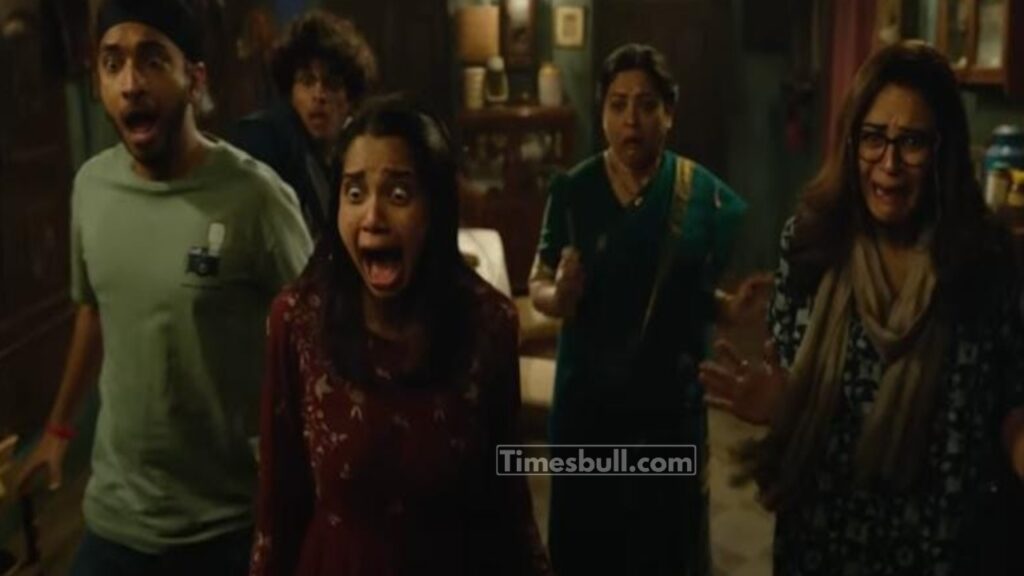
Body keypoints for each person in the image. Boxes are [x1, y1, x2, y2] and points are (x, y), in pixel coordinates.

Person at [699, 40, 1024, 575]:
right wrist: (782, 407)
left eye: (912, 143)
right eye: (874, 138)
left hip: (944, 546)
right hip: (826, 539)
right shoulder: (812, 247)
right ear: (852, 143)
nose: (889, 164)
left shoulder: (984, 262)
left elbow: (1012, 396)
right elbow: (796, 394)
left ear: (943, 151)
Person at [14, 1, 313, 574]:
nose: (130, 84)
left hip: (228, 522)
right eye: (112, 63)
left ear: (193, 79)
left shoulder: (256, 198)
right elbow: (94, 310)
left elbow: (315, 339)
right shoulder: (91, 188)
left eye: (152, 60)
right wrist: (57, 428)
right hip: (116, 516)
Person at [249, 96, 551, 575]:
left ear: (436, 207)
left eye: (398, 194)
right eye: (354, 193)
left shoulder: (488, 323)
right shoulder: (298, 321)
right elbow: (277, 509)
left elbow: (508, 500)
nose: (372, 217)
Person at [529, 43, 768, 576]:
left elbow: (692, 294)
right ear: (602, 113)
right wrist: (559, 296)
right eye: (617, 105)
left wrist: (731, 309)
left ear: (669, 112)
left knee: (668, 545)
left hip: (668, 408)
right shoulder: (574, 191)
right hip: (589, 409)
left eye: (646, 104)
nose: (631, 120)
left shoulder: (700, 194)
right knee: (589, 545)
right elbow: (539, 283)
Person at [231, 10, 377, 239]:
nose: (318, 95)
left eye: (331, 84)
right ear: (291, 92)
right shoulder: (268, 139)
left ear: (350, 100)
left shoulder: (351, 158)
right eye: (307, 81)